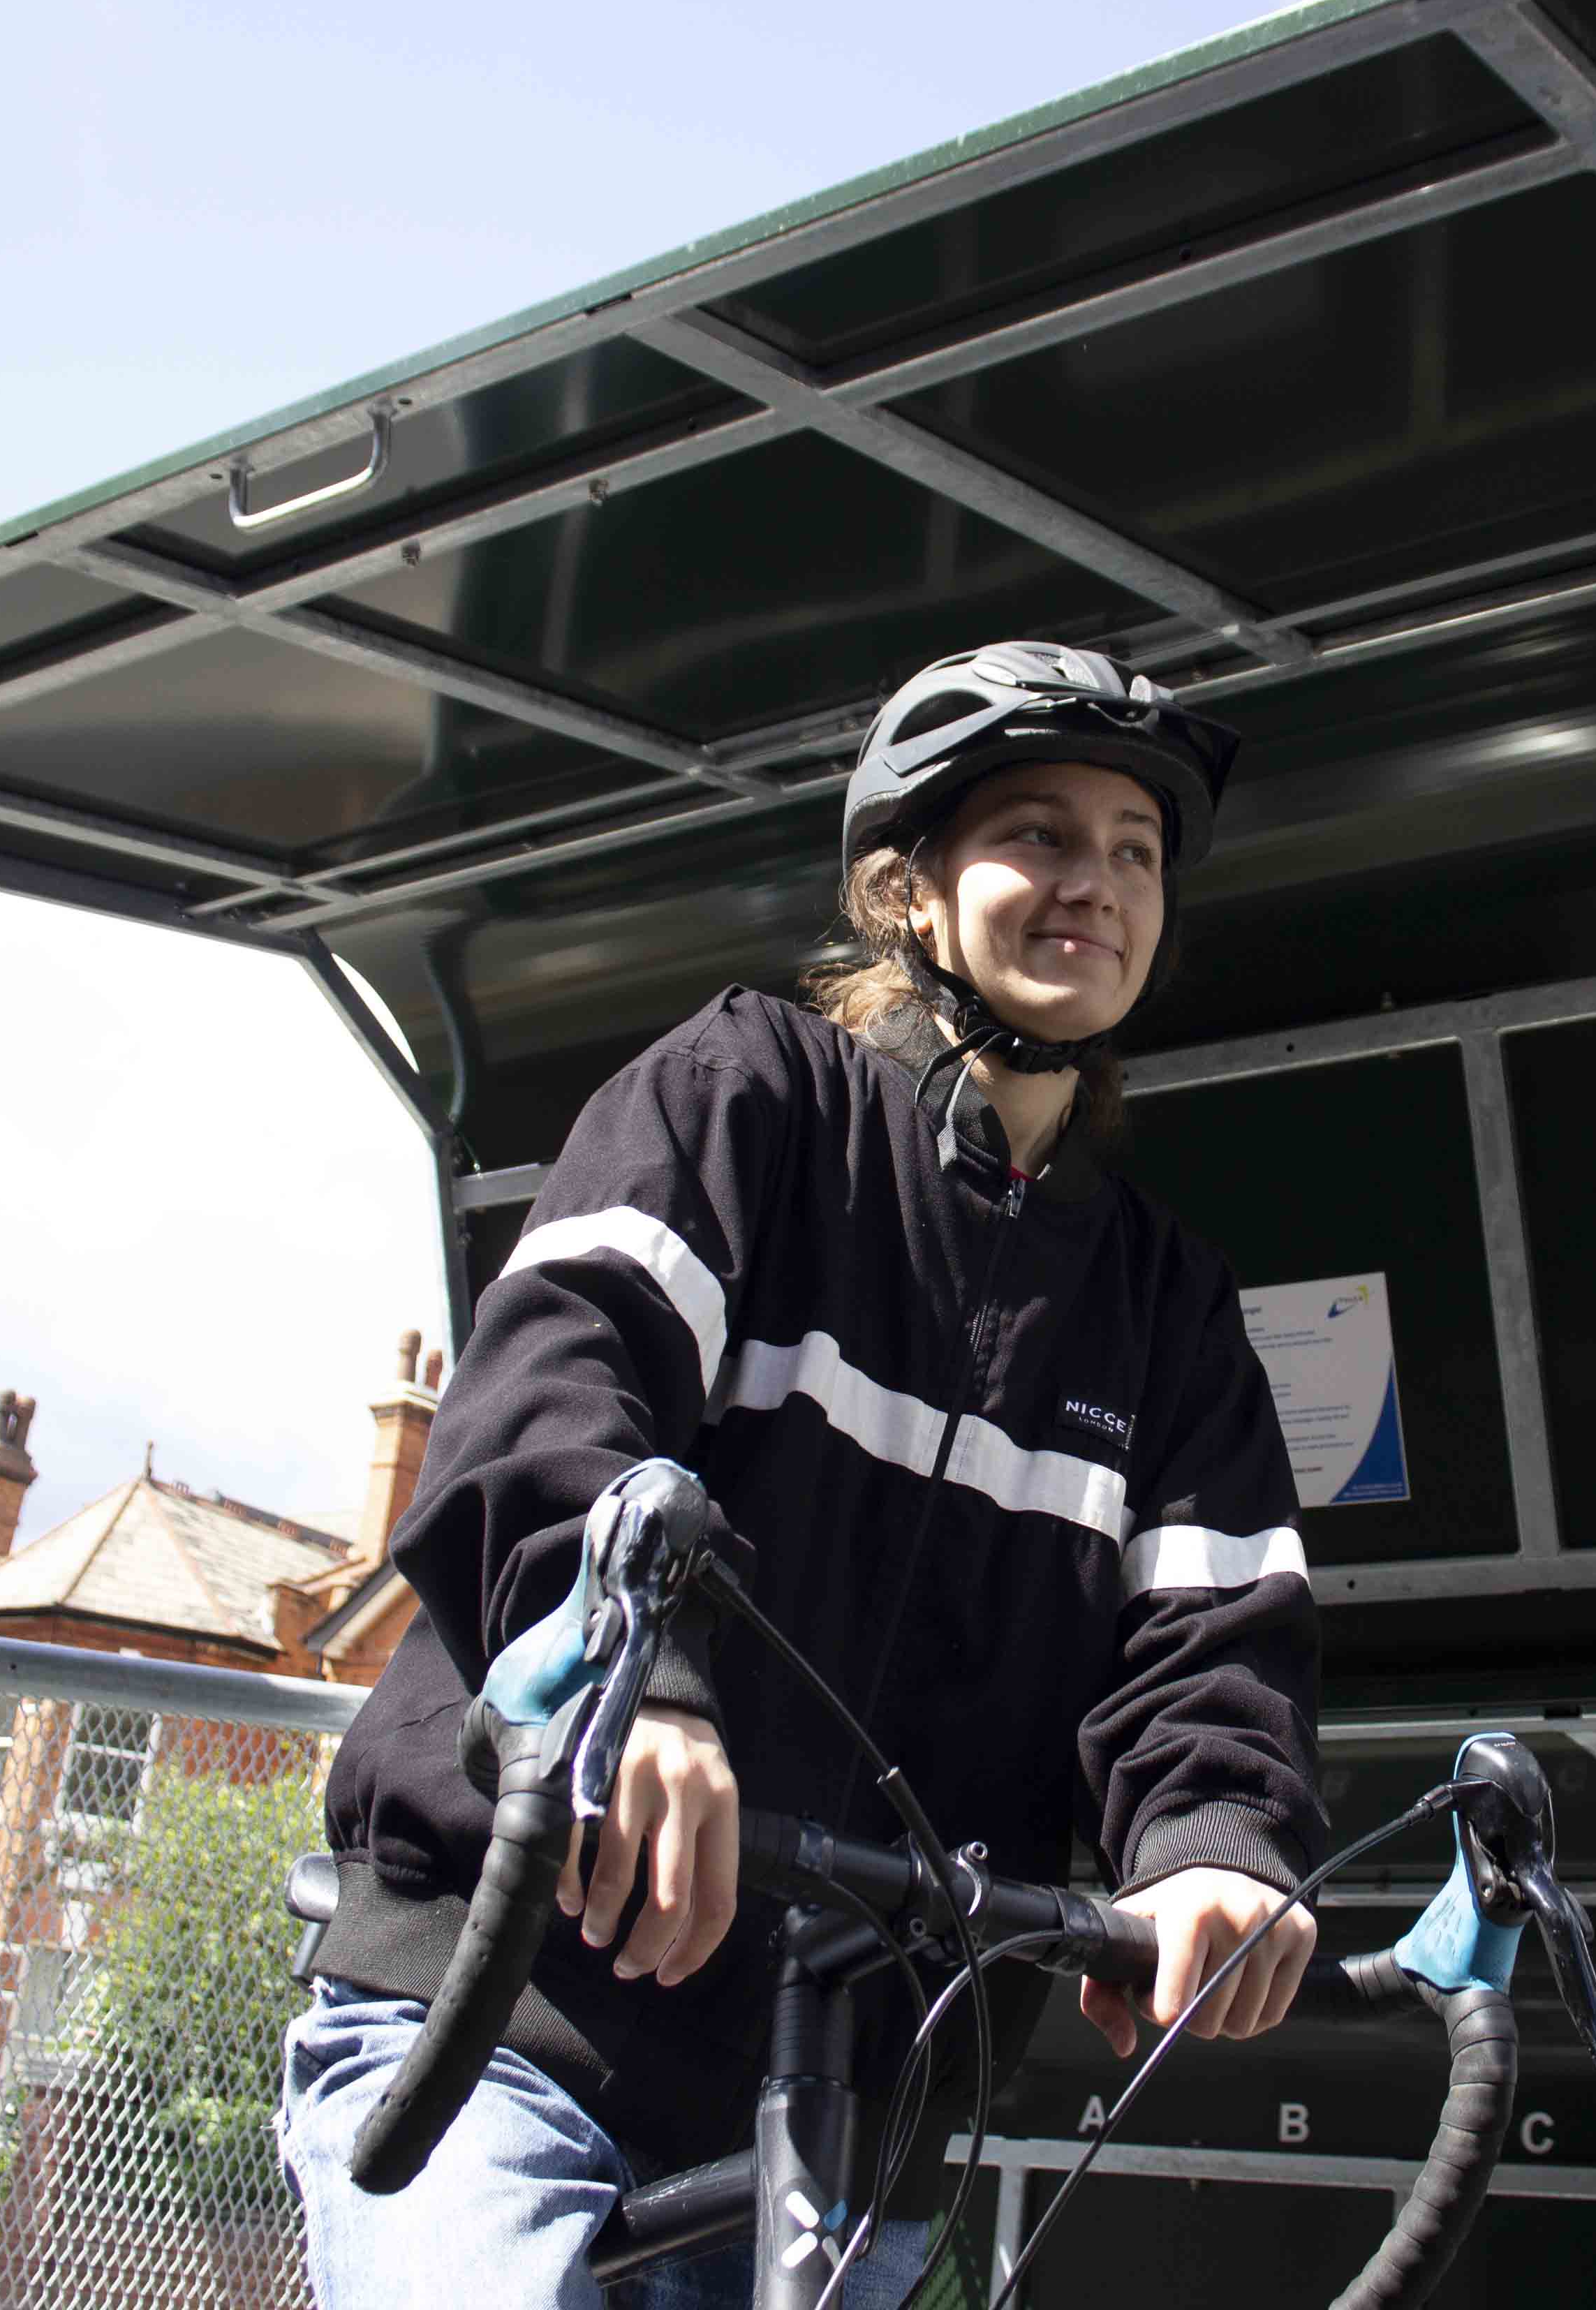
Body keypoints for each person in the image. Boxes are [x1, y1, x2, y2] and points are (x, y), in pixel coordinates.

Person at [279, 640, 1328, 2309]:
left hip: (860, 2109)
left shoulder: (1167, 1308)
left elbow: (1208, 1641)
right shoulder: (748, 1093)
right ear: (907, 891)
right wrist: (647, 1691)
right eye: (1041, 837)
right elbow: (551, 1399)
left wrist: (1210, 1840)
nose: (1096, 885)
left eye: (1134, 851)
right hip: (511, 2020)